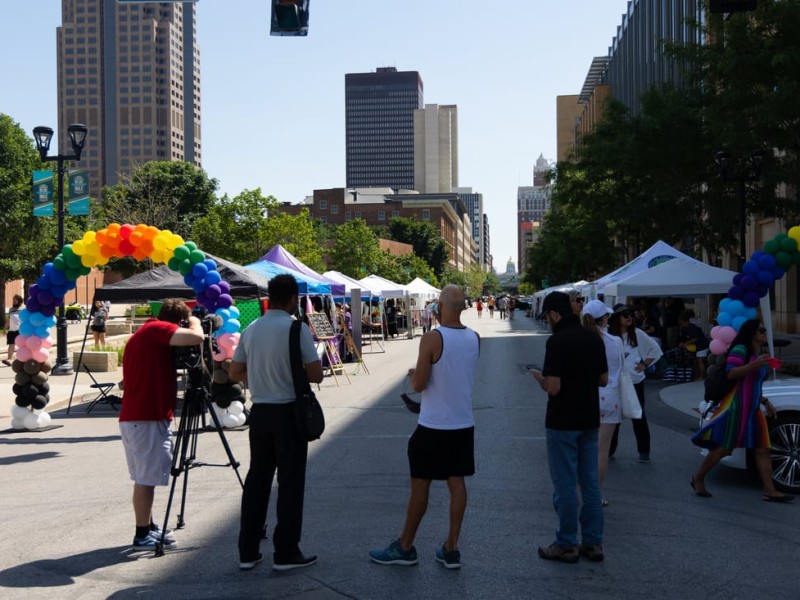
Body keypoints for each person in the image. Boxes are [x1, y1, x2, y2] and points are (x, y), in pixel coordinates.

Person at [369, 285, 480, 570]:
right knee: (457, 483)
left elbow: (419, 384)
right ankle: (451, 547)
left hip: (433, 425)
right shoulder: (474, 338)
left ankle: (405, 546)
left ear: (441, 306)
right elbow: (453, 373)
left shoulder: (432, 337)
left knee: (421, 484)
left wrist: (416, 374)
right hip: (462, 423)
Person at [230, 274, 324, 571]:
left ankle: (248, 550)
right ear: (294, 299)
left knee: (257, 480)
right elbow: (316, 374)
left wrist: (258, 376)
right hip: (288, 412)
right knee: (290, 483)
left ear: (269, 297)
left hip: (260, 412)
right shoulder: (297, 329)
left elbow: (234, 372)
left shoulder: (252, 328)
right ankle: (285, 551)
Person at [118, 298, 205, 549]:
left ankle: (148, 526)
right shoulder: (157, 329)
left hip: (139, 417)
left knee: (144, 477)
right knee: (146, 478)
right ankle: (142, 533)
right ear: (177, 321)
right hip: (146, 417)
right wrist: (195, 322)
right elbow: (195, 338)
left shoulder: (146, 333)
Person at [530, 292, 608, 563]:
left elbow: (554, 387)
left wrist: (539, 378)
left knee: (564, 483)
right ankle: (593, 542)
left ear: (553, 314)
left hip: (562, 421)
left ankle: (566, 543)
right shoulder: (593, 337)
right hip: (590, 418)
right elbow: (603, 379)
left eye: (547, 317)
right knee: (590, 484)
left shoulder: (557, 342)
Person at [691, 320, 792, 502]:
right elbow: (731, 373)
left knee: (762, 449)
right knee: (724, 449)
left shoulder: (757, 353)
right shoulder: (740, 350)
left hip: (753, 407)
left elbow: (752, 383)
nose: (764, 332)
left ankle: (769, 490)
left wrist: (765, 400)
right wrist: (754, 366)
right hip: (737, 407)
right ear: (751, 333)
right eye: (761, 330)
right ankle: (698, 478)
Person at [607, 304, 663, 463]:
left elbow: (655, 349)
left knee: (638, 416)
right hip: (615, 381)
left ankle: (644, 451)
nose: (629, 317)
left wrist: (644, 365)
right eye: (625, 314)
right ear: (617, 318)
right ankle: (609, 450)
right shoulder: (610, 335)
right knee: (614, 416)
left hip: (634, 381)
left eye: (630, 314)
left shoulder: (637, 334)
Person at [581, 300, 623, 508]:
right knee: (601, 450)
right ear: (604, 318)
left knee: (582, 446)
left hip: (585, 395)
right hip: (610, 396)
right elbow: (621, 368)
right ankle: (594, 494)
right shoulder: (615, 341)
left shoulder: (580, 340)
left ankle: (578, 490)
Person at [678, 311, 709, 381]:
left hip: (702, 345)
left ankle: (701, 376)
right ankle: (697, 375)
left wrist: (686, 343)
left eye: (682, 323)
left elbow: (695, 338)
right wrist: (681, 343)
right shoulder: (683, 329)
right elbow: (682, 338)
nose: (682, 325)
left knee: (700, 361)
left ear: (686, 322)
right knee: (695, 361)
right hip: (695, 348)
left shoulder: (693, 328)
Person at [3, 294, 23, 366]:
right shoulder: (11, 309)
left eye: (15, 300)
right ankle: (9, 360)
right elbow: (8, 320)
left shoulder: (22, 309)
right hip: (11, 330)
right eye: (13, 300)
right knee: (11, 344)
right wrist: (5, 329)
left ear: (19, 301)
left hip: (19, 330)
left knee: (21, 345)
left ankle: (23, 359)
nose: (14, 302)